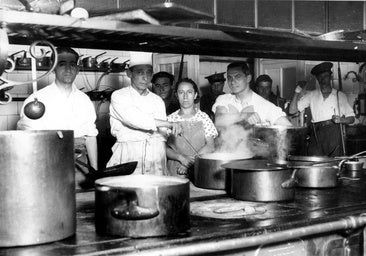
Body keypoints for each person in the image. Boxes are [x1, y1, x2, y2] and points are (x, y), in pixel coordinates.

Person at [17, 46, 98, 186]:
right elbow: (26, 137)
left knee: (82, 203)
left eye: (72, 65)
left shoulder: (84, 99)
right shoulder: (36, 100)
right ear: (52, 68)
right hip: (48, 162)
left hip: (80, 165)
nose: (68, 69)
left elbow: (90, 137)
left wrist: (95, 172)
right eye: (62, 64)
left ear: (77, 69)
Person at [107, 51, 181, 175]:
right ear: (129, 73)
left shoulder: (157, 100)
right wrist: (169, 124)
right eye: (140, 72)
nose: (145, 78)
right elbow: (136, 120)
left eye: (148, 73)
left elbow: (163, 133)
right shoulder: (119, 96)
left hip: (156, 157)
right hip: (129, 155)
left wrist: (169, 130)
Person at [289, 62, 355, 156]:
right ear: (317, 78)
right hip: (316, 134)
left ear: (330, 77)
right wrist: (297, 91)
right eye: (320, 76)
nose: (323, 79)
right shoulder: (311, 95)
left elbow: (352, 118)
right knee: (315, 164)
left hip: (334, 134)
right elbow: (292, 111)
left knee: (334, 164)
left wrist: (341, 120)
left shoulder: (339, 95)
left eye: (326, 76)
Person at [213, 61, 292, 129]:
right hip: (225, 146)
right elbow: (218, 121)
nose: (232, 82)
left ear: (248, 78)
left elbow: (289, 128)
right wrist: (243, 117)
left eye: (238, 77)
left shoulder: (265, 105)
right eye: (229, 78)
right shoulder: (223, 99)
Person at [166, 78, 218, 178]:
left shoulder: (204, 118)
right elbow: (164, 148)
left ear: (195, 95)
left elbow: (210, 146)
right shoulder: (170, 119)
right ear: (176, 95)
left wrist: (190, 162)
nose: (185, 96)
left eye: (189, 92)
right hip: (175, 171)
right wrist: (181, 158)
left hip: (199, 169)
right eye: (181, 92)